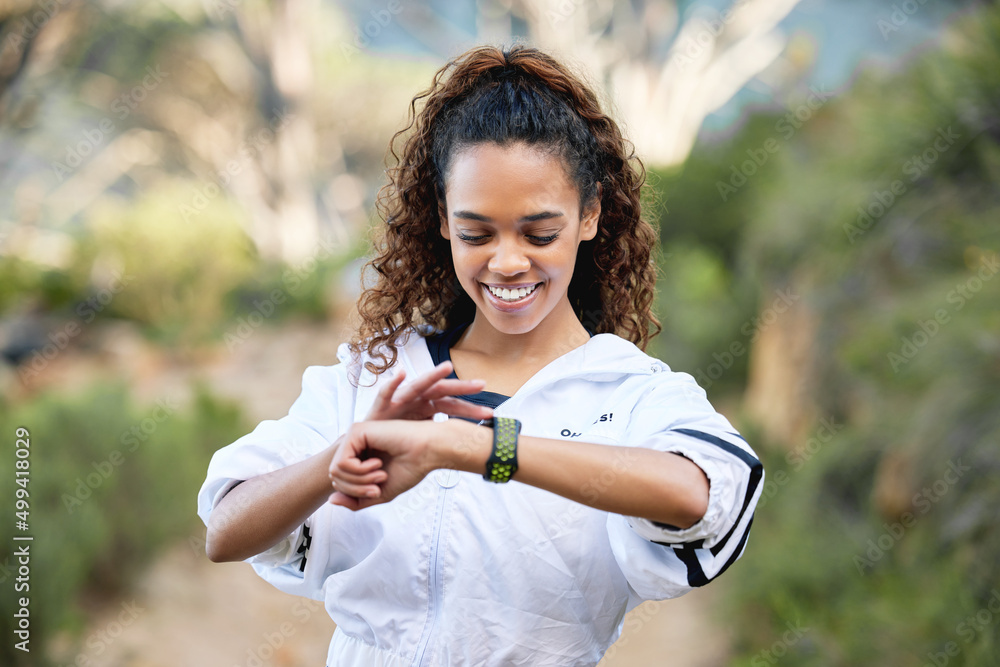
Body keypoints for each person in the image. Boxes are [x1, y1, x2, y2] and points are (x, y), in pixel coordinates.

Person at [198, 43, 763, 667]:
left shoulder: (630, 393)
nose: (507, 262)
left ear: (591, 214)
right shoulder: (376, 375)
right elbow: (225, 530)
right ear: (442, 221)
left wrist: (471, 447)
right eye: (477, 233)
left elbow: (698, 493)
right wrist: (341, 455)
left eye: (539, 233)